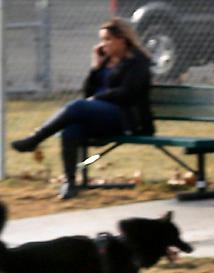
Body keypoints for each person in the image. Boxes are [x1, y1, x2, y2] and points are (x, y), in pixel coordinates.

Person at [9, 18, 154, 200]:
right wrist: (95, 67)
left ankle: (36, 139)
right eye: (102, 39)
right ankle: (70, 184)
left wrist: (98, 98)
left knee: (77, 106)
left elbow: (129, 93)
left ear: (122, 39)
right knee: (71, 128)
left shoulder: (138, 62)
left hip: (124, 119)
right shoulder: (106, 61)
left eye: (108, 39)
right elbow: (88, 93)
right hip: (99, 116)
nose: (104, 44)